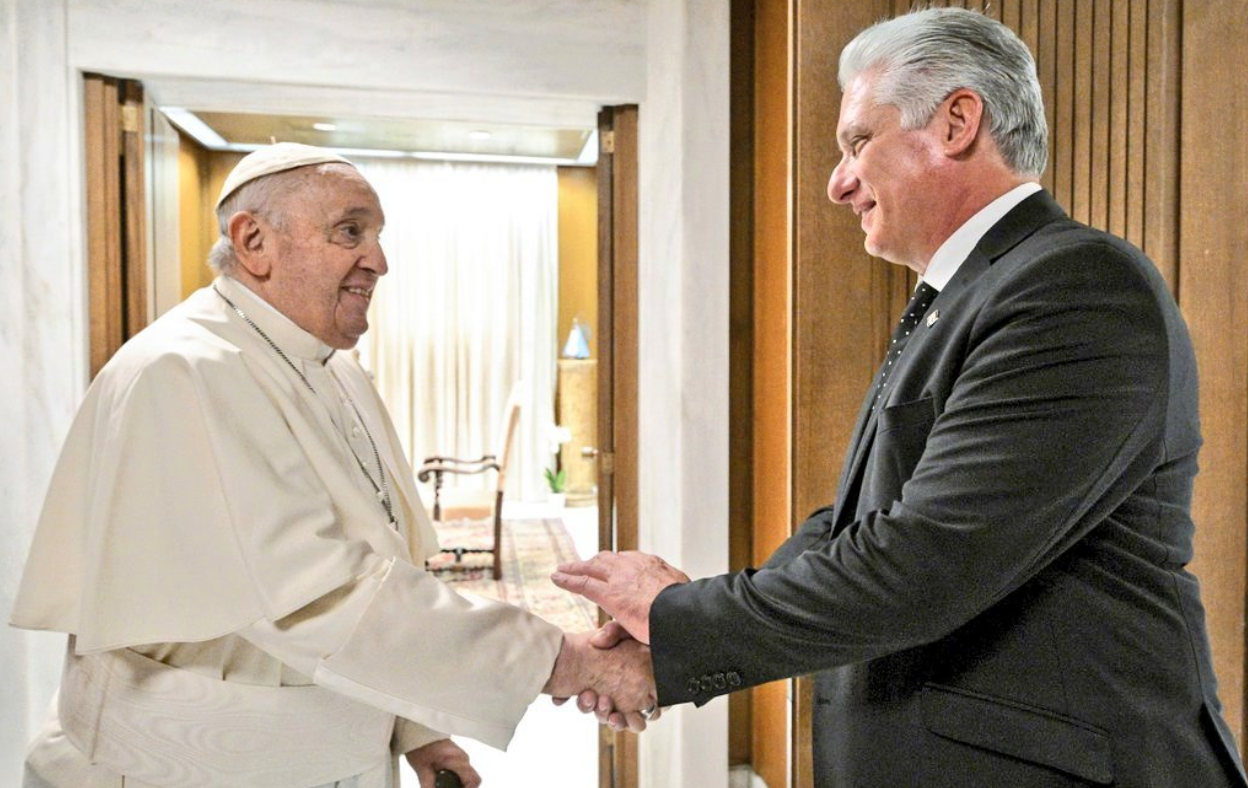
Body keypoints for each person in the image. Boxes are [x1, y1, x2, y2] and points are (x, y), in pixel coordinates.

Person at [553, 7, 1248, 786]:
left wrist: (683, 623)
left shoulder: (1074, 288)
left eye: (858, 142)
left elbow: (927, 560)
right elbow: (857, 526)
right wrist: (677, 645)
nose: (837, 181)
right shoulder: (970, 294)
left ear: (956, 122)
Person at [11, 142, 655, 788]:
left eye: (375, 236)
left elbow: (381, 570)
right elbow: (315, 595)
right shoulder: (183, 371)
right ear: (254, 240)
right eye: (350, 231)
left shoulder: (338, 371)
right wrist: (572, 663)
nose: (377, 260)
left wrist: (418, 730)